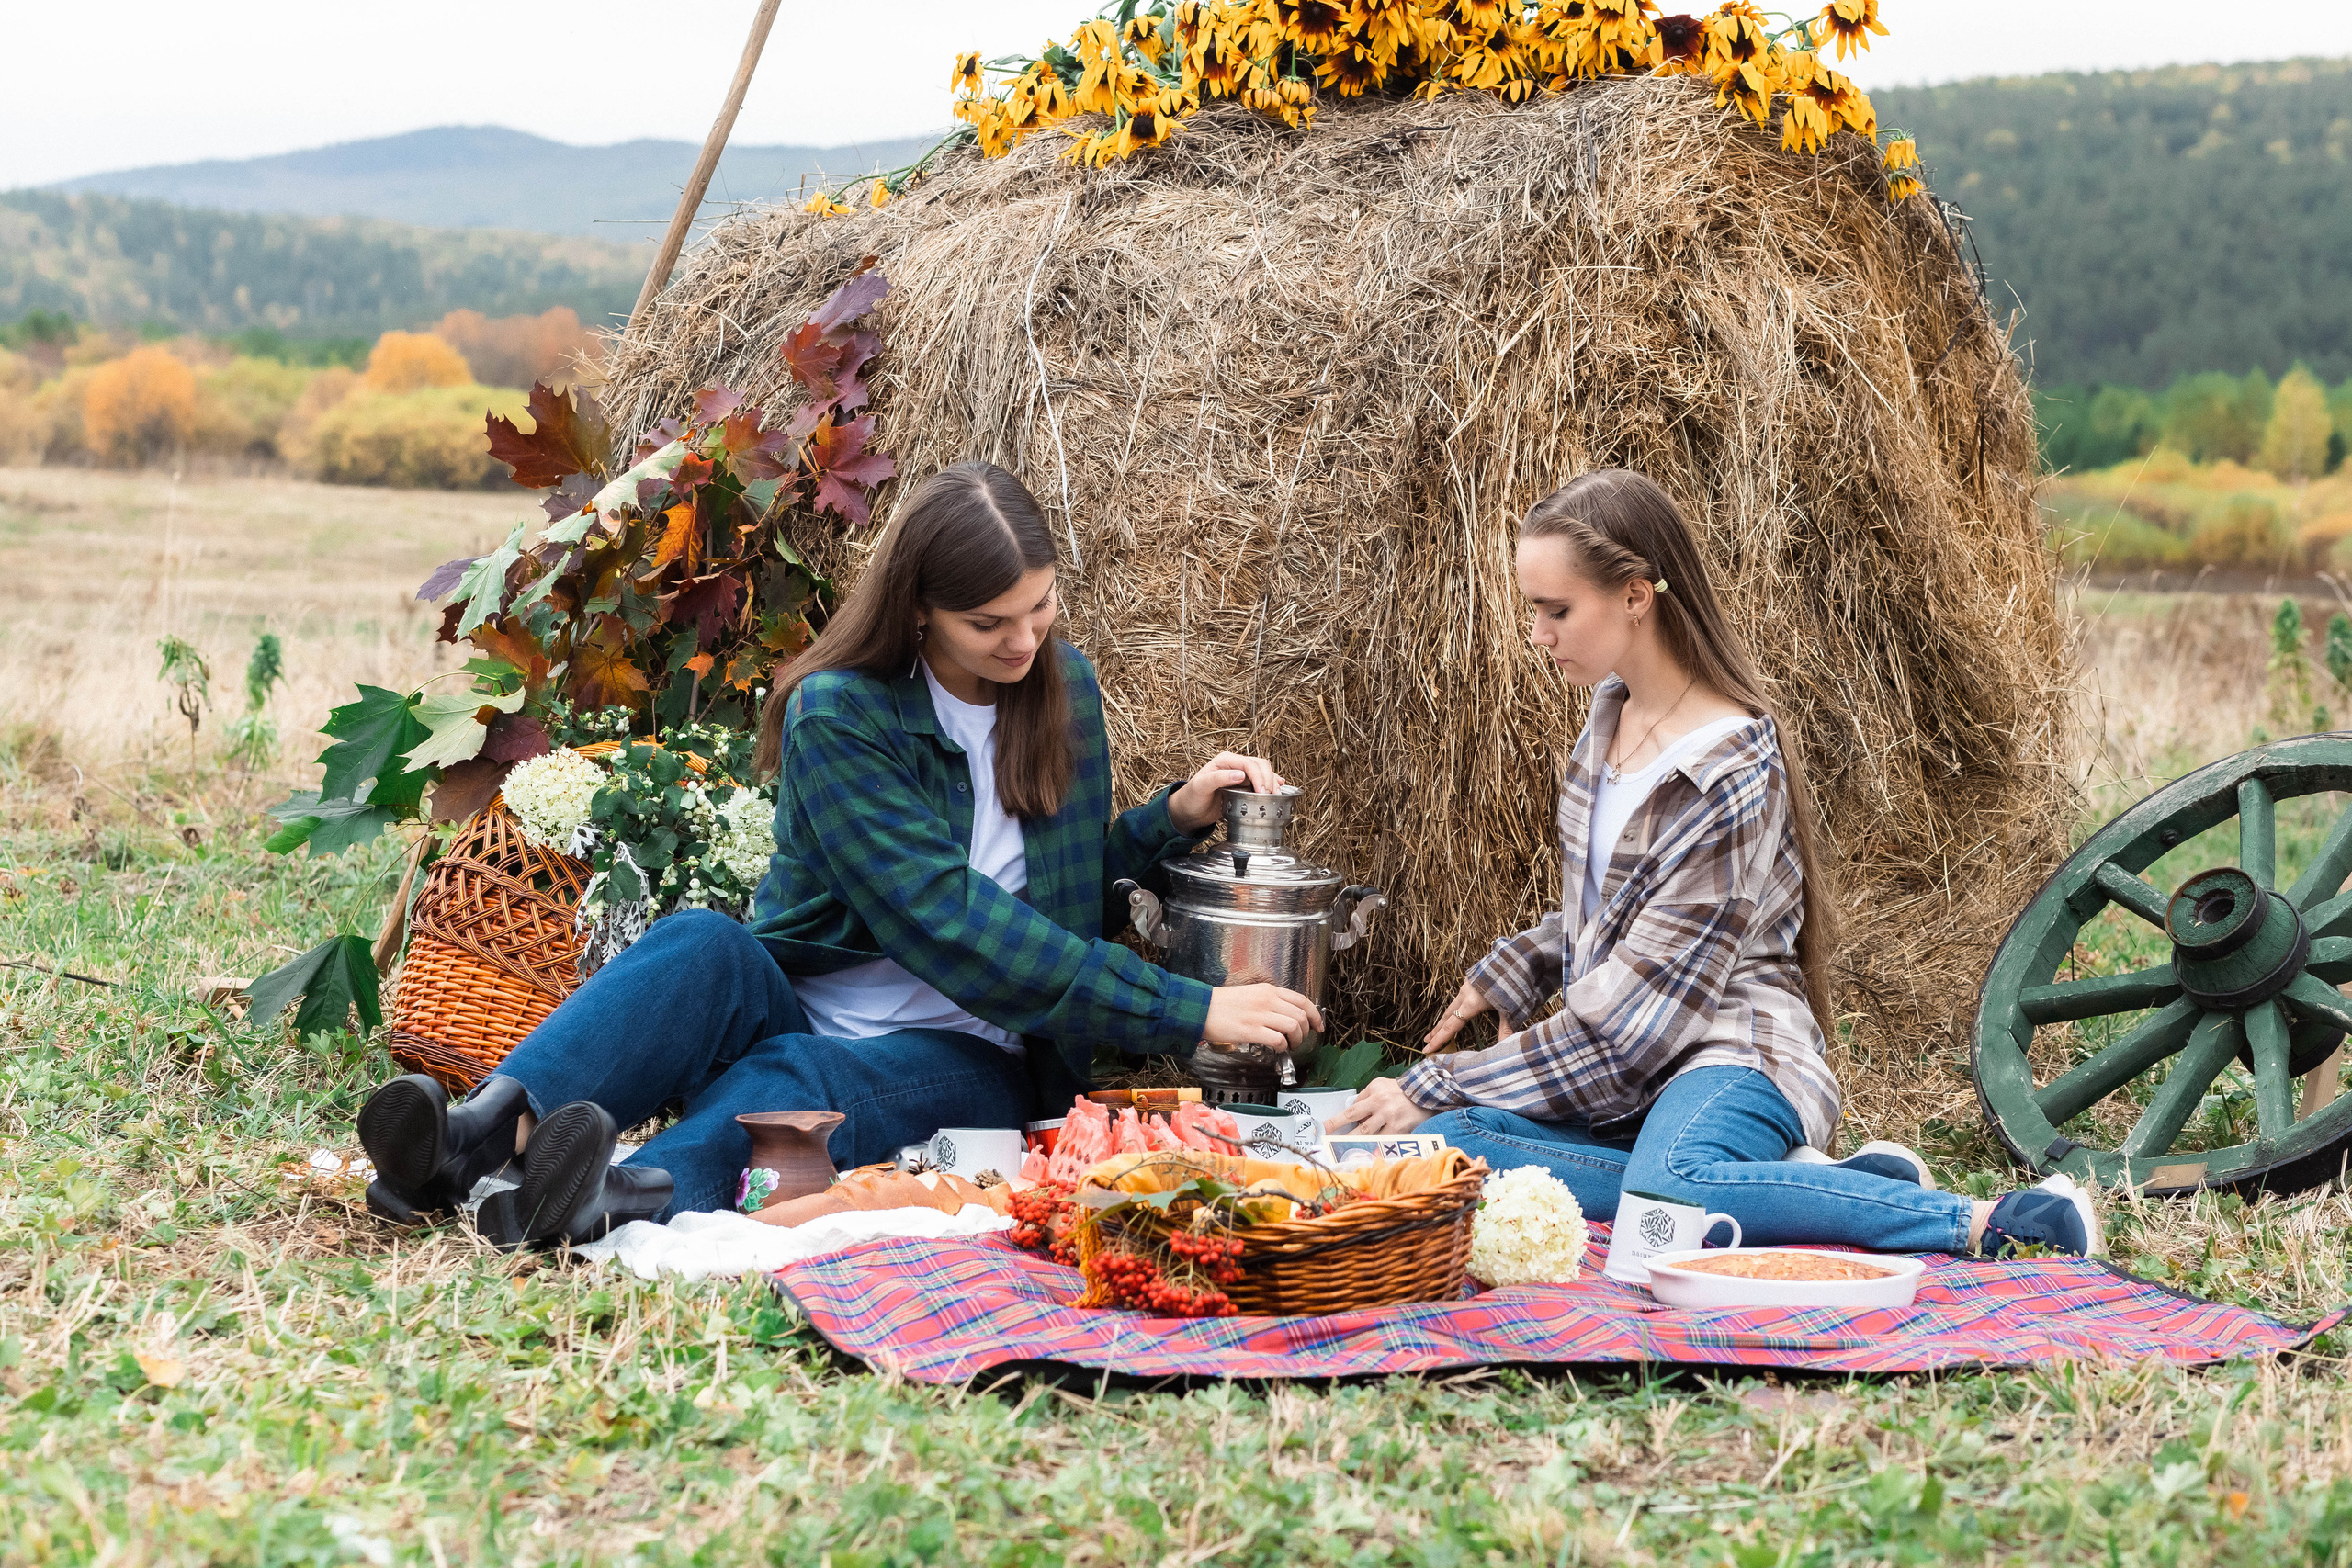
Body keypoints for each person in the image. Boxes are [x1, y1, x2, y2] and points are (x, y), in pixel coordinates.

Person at [356, 461, 1322, 1247]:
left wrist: (1169, 819)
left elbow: (1049, 908)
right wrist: (1190, 1008)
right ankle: (475, 1134)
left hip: (975, 1053)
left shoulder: (1063, 688)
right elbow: (947, 918)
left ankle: (609, 1195)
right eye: (988, 623)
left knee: (796, 1084)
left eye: (1039, 608)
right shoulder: (843, 716)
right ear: (917, 612)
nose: (1023, 639)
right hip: (815, 996)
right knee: (701, 945)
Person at [1329, 469, 2097, 1258]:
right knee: (1450, 1141)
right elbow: (1633, 911)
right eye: (1535, 610)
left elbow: (1633, 1030)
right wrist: (1526, 958)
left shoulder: (1728, 768)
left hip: (1731, 1047)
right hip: (1637, 1075)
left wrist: (1440, 1077)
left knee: (1670, 1188)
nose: (1538, 635)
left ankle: (1994, 1218)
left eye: (1556, 610)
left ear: (1635, 594)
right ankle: (1813, 1186)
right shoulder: (1609, 716)